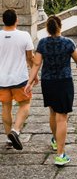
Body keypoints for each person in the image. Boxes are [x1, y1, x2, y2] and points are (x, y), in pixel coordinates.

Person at [24, 15, 77, 166]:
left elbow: (36, 64)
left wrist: (29, 83)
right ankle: (60, 155)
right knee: (62, 117)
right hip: (64, 82)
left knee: (52, 112)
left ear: (48, 29)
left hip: (48, 82)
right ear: (60, 27)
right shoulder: (68, 42)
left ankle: (56, 141)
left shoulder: (43, 43)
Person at [0, 9, 37, 150]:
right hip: (19, 78)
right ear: (17, 20)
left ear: (3, 21)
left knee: (6, 107)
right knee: (25, 103)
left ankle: (8, 137)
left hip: (2, 78)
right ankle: (15, 130)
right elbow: (30, 58)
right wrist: (34, 75)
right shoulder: (24, 35)